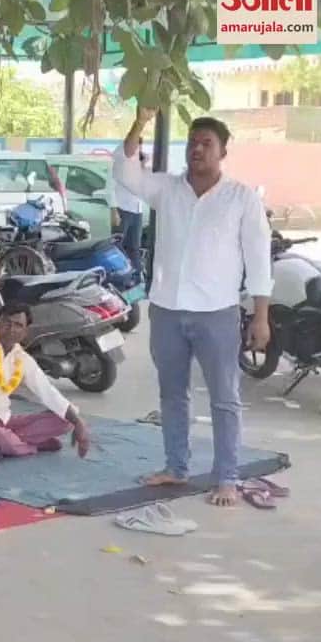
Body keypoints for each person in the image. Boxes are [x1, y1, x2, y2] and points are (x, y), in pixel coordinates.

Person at [113, 109, 271, 506]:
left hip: (217, 312)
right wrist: (140, 123)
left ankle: (228, 477)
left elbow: (258, 259)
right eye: (193, 142)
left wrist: (261, 314)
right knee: (172, 395)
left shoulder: (241, 198)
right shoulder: (167, 189)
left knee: (224, 398)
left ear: (223, 152)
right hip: (167, 310)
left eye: (207, 144)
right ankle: (176, 467)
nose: (197, 149)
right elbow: (125, 171)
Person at [0, 258, 93, 458]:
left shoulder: (22, 359)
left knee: (66, 419)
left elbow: (47, 391)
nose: (11, 329)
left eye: (18, 325)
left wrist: (78, 423)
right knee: (3, 441)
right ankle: (26, 444)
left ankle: (16, 440)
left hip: (5, 421)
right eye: (6, 322)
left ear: (26, 331)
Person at [111, 140, 149, 286]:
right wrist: (113, 208)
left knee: (134, 246)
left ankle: (136, 280)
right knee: (118, 245)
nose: (138, 149)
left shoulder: (136, 162)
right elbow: (111, 183)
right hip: (122, 207)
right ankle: (121, 278)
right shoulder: (120, 158)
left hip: (136, 208)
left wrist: (143, 164)